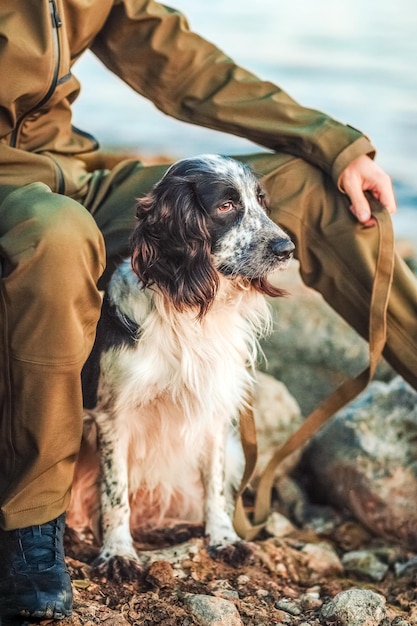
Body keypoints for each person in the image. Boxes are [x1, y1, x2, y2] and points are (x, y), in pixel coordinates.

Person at [0, 0, 416, 619]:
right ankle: (33, 524)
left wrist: (333, 143)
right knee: (60, 238)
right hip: (12, 187)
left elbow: (188, 67)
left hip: (74, 169)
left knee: (318, 186)